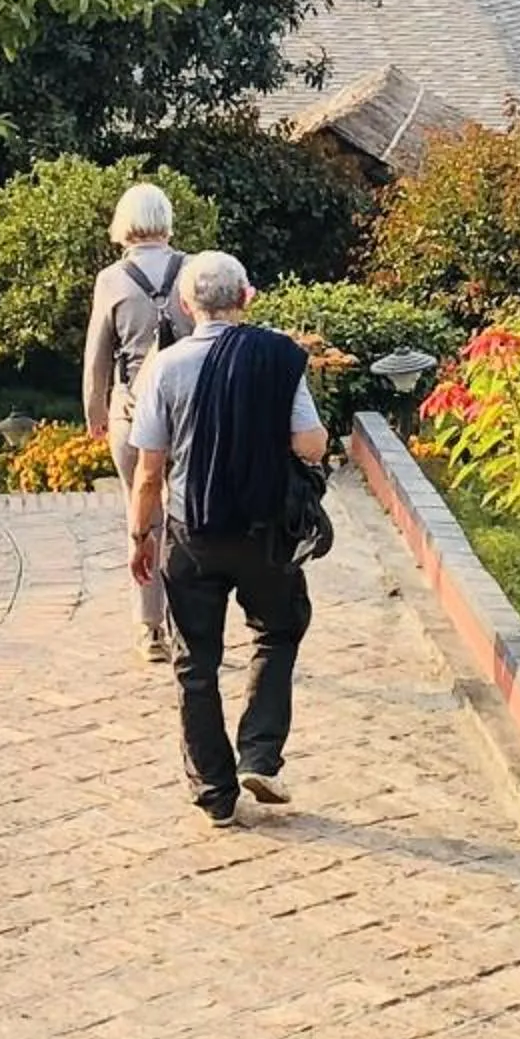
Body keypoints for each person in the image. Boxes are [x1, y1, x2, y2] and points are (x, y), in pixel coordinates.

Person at [125, 251, 329, 827]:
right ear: (247, 298)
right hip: (265, 530)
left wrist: (142, 535)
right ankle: (260, 754)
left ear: (187, 305)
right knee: (279, 629)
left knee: (196, 663)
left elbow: (149, 470)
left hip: (193, 533)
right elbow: (310, 444)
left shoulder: (163, 368)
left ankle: (214, 792)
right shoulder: (277, 358)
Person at [84, 182, 191, 661]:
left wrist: (95, 410)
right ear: (167, 220)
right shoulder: (192, 269)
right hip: (189, 411)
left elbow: (97, 354)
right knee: (187, 513)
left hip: (132, 407)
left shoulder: (111, 278)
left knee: (140, 511)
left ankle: (150, 629)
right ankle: (188, 622)